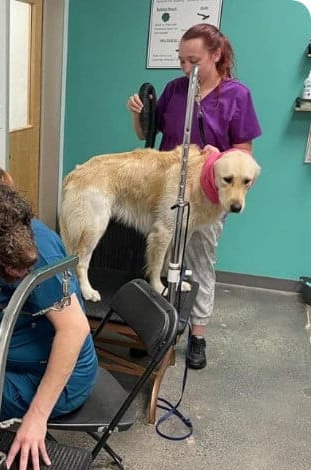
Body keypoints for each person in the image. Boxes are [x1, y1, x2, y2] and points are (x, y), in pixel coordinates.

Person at [0, 145, 98, 470]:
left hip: (51, 374)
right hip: (6, 352)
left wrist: (36, 418)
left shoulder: (31, 248)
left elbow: (74, 329)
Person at [127, 23, 261, 369]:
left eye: (193, 61)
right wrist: (136, 115)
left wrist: (218, 156)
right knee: (163, 260)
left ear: (215, 56)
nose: (186, 69)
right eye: (181, 61)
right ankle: (158, 331)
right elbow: (148, 134)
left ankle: (197, 335)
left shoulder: (237, 95)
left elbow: (244, 151)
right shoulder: (175, 90)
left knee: (200, 262)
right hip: (170, 190)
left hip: (208, 195)